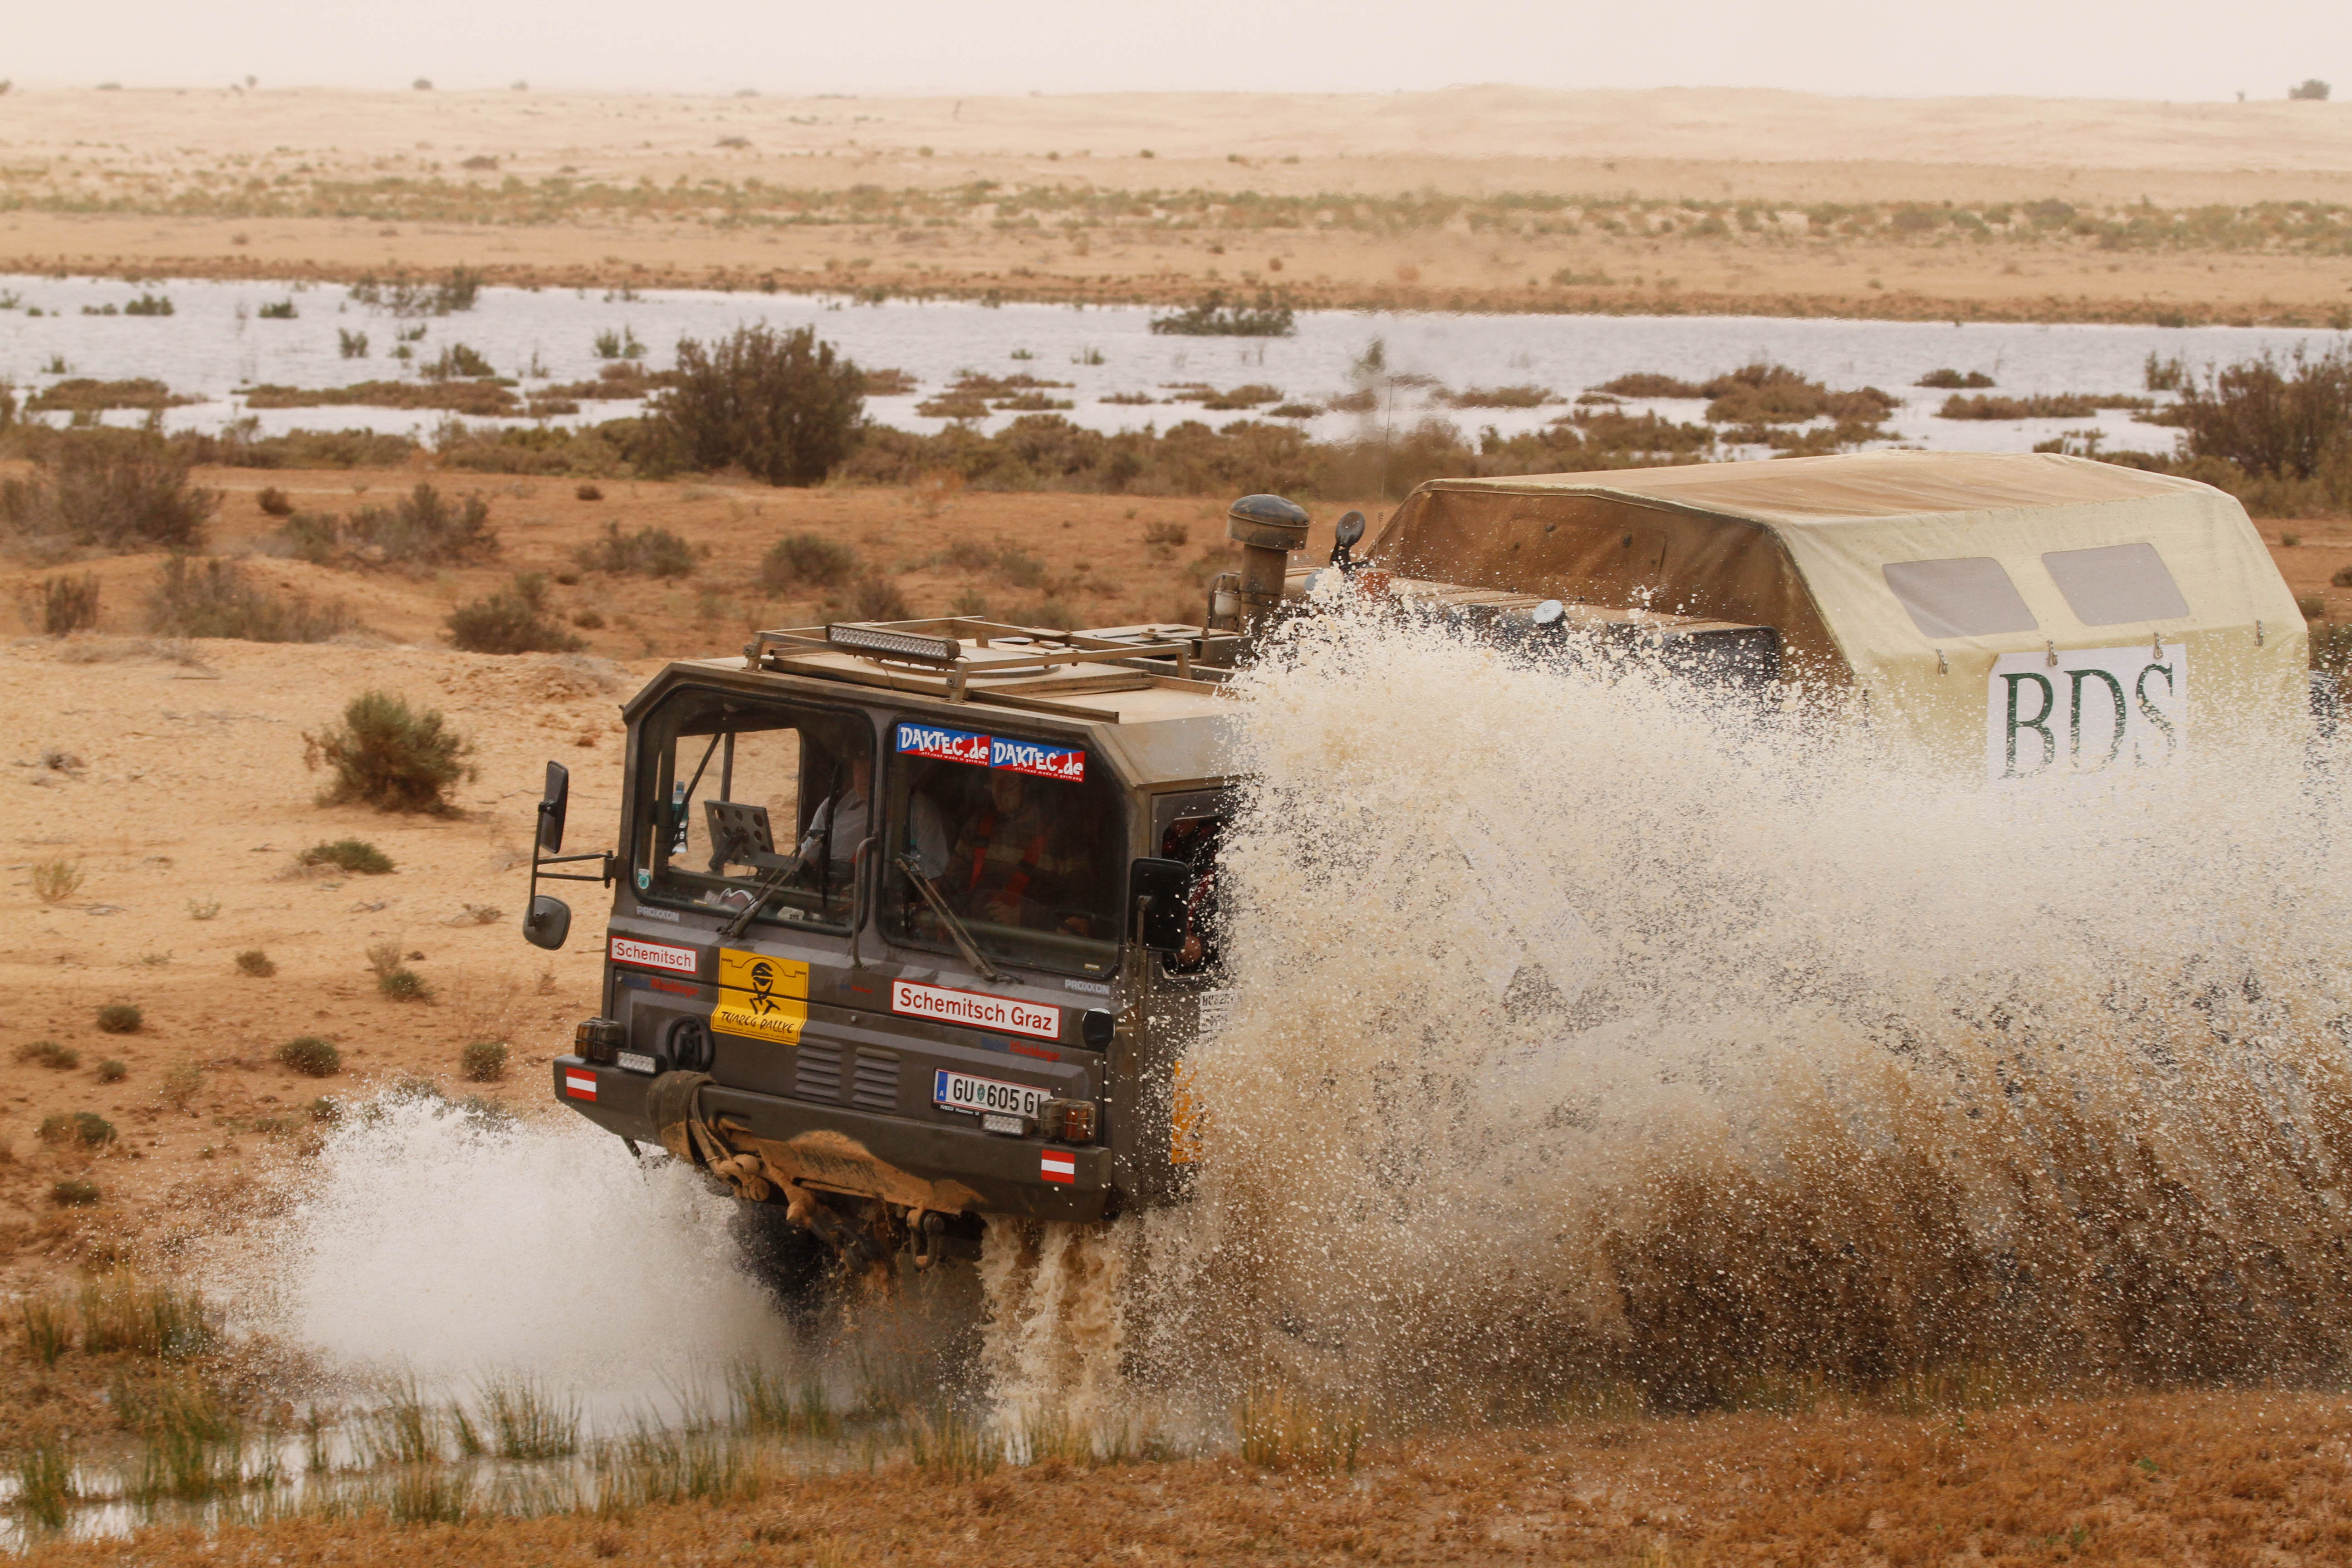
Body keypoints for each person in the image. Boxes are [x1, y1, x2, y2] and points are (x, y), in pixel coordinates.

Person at [950, 771, 1083, 931]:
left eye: (1008, 782)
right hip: (969, 937)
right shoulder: (978, 828)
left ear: (1031, 786)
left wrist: (1027, 917)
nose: (996, 791)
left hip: (1032, 944)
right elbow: (949, 886)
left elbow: (1080, 914)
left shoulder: (1063, 841)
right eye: (992, 781)